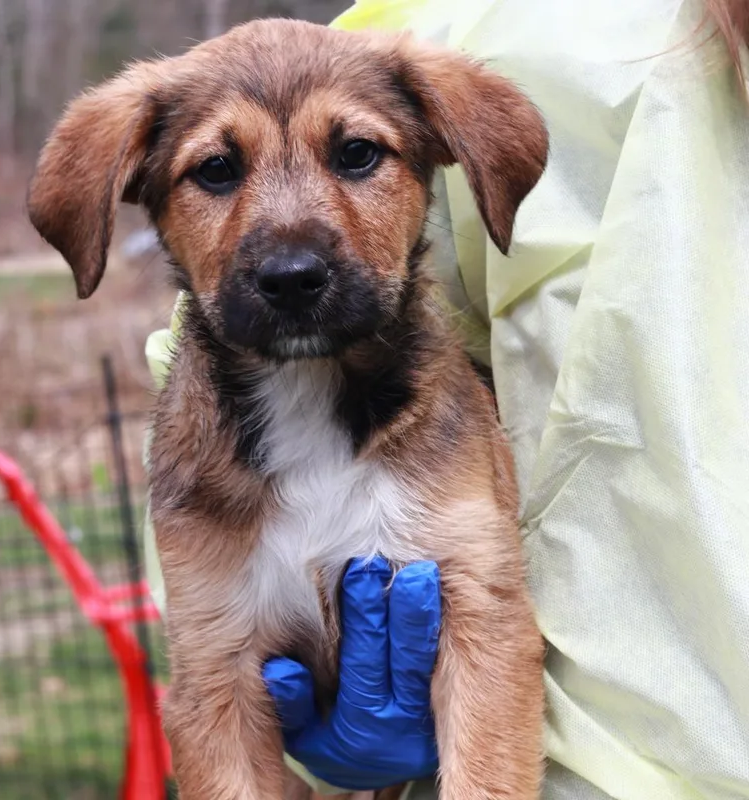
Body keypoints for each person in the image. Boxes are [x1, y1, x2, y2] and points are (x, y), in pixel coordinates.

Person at [144, 0, 749, 797]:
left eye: (356, 155)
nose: (291, 257)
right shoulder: (542, 33)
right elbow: (210, 703)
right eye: (218, 172)